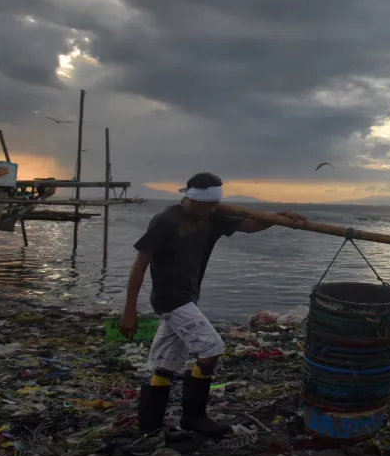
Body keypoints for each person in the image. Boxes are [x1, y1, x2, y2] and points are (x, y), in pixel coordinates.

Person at [120, 172, 305, 442]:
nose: (212, 209)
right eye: (208, 204)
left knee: (165, 363)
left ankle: (149, 426)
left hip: (188, 296)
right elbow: (140, 264)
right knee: (211, 348)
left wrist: (278, 219)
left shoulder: (213, 216)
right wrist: (129, 311)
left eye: (215, 204)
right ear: (191, 199)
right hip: (171, 298)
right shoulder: (166, 220)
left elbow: (247, 226)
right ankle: (194, 417)